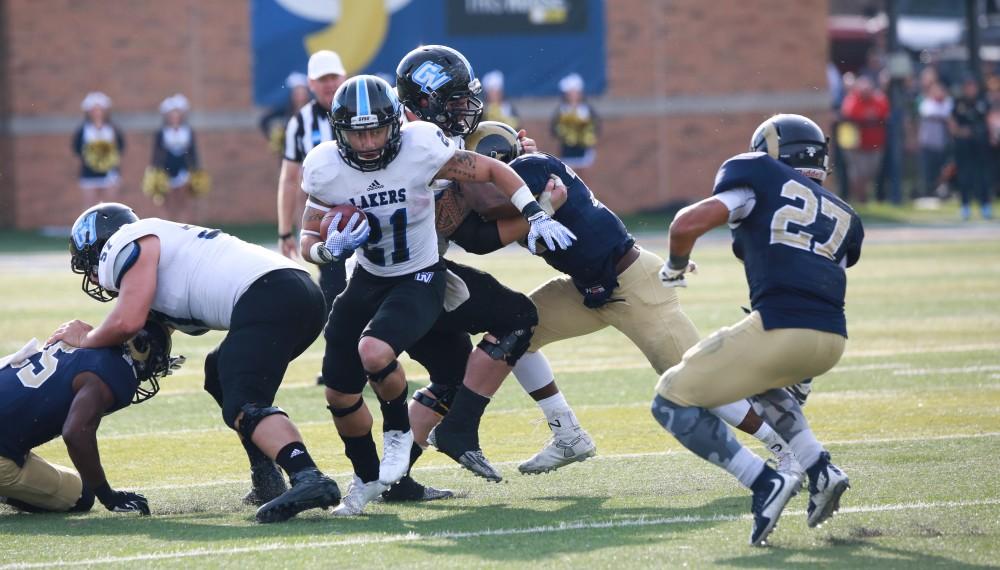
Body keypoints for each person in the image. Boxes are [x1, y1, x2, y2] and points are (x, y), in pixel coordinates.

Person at [297, 75, 575, 515]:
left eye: (377, 130)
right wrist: (325, 249)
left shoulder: (421, 146)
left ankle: (397, 436)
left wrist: (535, 212)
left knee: (374, 351)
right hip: (367, 278)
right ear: (338, 131)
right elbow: (306, 236)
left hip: (419, 276)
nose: (368, 143)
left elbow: (491, 169)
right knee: (338, 395)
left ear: (396, 124)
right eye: (357, 132)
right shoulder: (325, 166)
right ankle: (366, 479)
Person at [460, 125, 801, 478]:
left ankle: (787, 448)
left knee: (700, 383)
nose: (471, 173)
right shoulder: (527, 171)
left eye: (473, 164)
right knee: (516, 330)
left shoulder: (530, 166)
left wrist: (457, 177)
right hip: (587, 287)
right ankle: (567, 434)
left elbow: (488, 206)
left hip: (634, 285)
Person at [50, 202, 341, 523]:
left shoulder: (128, 241)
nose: (91, 274)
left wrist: (85, 338)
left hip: (272, 293)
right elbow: (158, 326)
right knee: (218, 372)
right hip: (294, 291)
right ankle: (266, 477)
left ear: (101, 245)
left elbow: (127, 321)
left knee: (243, 399)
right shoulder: (165, 246)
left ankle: (307, 475)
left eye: (88, 261)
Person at [652, 114, 864, 546]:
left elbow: (685, 224)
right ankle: (820, 469)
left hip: (783, 329)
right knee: (763, 387)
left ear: (770, 151)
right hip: (831, 340)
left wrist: (674, 269)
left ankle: (763, 480)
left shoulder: (756, 177)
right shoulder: (843, 214)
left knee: (670, 400)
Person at [1, 319, 175, 515]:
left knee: (81, 479)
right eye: (156, 362)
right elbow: (76, 434)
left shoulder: (79, 340)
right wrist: (109, 496)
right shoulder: (114, 371)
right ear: (141, 350)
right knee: (81, 496)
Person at [276, 50, 349, 309]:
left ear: (343, 76)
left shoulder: (362, 107)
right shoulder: (301, 122)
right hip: (325, 219)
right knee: (333, 289)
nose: (329, 84)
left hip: (370, 206)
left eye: (333, 77)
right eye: (322, 78)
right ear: (311, 83)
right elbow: (289, 178)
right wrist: (285, 231)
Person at [145, 94, 204, 222]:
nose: (175, 117)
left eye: (177, 114)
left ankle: (184, 227)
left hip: (183, 169)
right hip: (166, 171)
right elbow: (156, 153)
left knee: (183, 201)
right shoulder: (162, 132)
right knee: (167, 202)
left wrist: (196, 169)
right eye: (172, 114)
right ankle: (167, 227)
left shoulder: (188, 131)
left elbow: (193, 152)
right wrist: (155, 171)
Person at [839, 76, 889, 203]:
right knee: (858, 174)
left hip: (875, 144)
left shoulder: (879, 99)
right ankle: (861, 199)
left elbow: (884, 114)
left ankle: (866, 197)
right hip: (857, 146)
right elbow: (849, 114)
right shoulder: (852, 100)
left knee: (871, 172)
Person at [72, 92, 125, 209]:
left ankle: (110, 227)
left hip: (110, 172)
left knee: (110, 206)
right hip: (88, 172)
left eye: (100, 109)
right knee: (89, 207)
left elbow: (121, 147)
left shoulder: (113, 128)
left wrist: (108, 159)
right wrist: (91, 157)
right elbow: (76, 148)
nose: (97, 113)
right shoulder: (83, 129)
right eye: (94, 110)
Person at [950, 77, 993, 221]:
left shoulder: (982, 102)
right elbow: (952, 124)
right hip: (964, 145)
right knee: (964, 176)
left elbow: (989, 121)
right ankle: (965, 207)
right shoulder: (958, 103)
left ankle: (985, 206)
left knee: (983, 176)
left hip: (981, 145)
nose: (970, 89)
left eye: (972, 85)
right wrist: (963, 132)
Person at [551, 73, 598, 178]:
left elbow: (595, 128)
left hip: (584, 151)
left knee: (584, 178)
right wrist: (564, 134)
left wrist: (587, 137)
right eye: (569, 93)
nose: (572, 96)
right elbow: (554, 129)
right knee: (569, 177)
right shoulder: (561, 110)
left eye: (574, 93)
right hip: (567, 151)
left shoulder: (587, 109)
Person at [260, 72, 312, 155]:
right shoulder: (285, 110)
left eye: (302, 92)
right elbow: (264, 121)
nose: (299, 96)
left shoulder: (314, 110)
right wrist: (275, 137)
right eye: (297, 93)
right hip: (288, 154)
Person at [917, 82, 953, 199]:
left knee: (942, 171)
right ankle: (928, 193)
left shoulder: (947, 103)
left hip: (942, 144)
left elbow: (947, 113)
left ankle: (940, 194)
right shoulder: (927, 103)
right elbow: (928, 112)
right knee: (928, 171)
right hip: (928, 143)